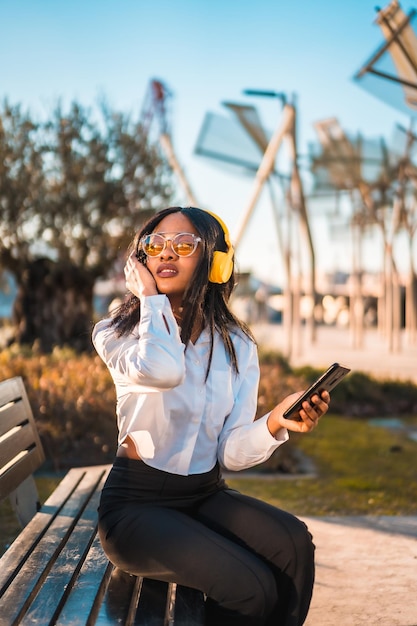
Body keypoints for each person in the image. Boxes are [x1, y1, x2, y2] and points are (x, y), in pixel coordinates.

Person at [92, 206, 330, 626]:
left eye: (184, 245)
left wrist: (275, 421)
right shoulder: (117, 331)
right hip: (135, 509)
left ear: (215, 262)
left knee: (294, 545)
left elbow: (232, 453)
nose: (167, 254)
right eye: (155, 244)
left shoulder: (237, 345)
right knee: (250, 588)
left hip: (204, 494)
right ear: (141, 260)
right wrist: (150, 300)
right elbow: (162, 370)